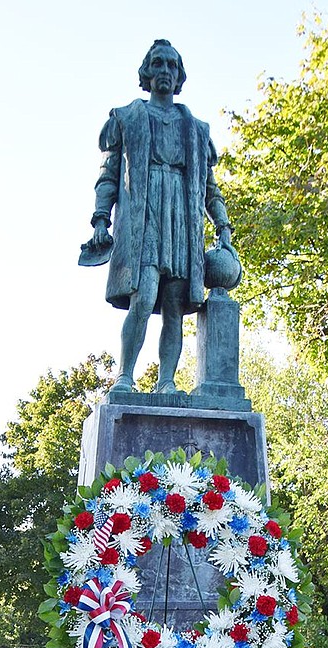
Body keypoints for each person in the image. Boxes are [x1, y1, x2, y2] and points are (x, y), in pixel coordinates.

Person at [83, 39, 235, 394]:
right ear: (147, 72)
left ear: (179, 75)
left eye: (171, 65)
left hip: (182, 221)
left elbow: (210, 187)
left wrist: (223, 226)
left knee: (174, 304)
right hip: (143, 217)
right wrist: (101, 219)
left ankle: (166, 380)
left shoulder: (196, 128)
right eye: (158, 64)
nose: (164, 71)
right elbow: (108, 176)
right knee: (144, 294)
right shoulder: (128, 117)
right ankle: (125, 376)